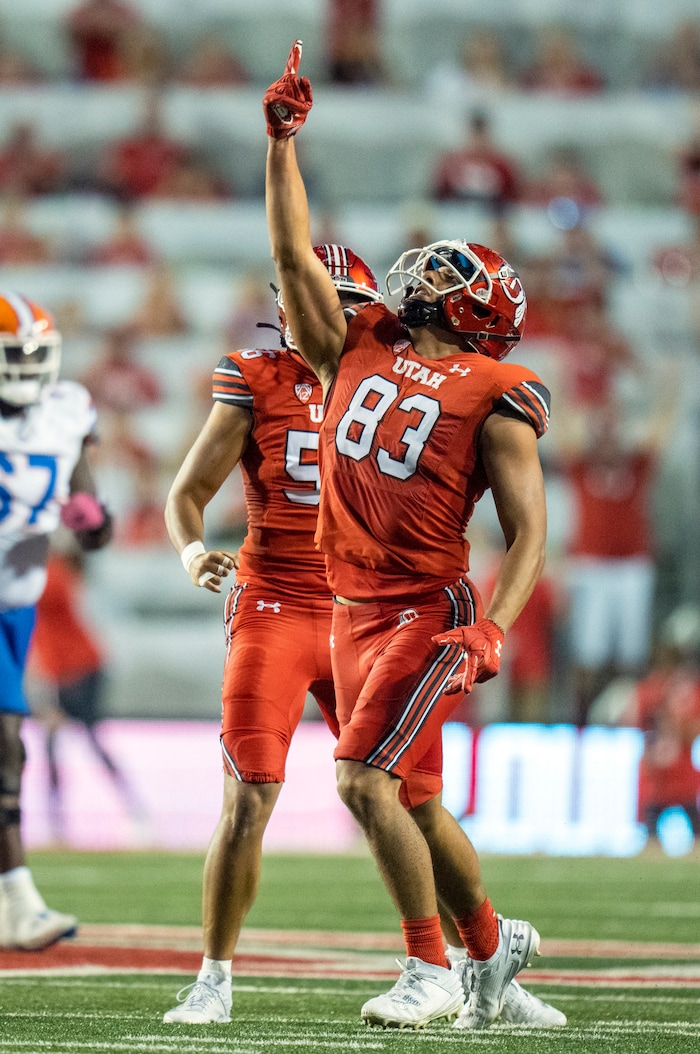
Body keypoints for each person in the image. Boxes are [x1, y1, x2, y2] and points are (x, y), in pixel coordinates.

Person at [161, 255, 564, 1029]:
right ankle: (217, 977)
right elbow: (187, 491)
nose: (333, 311)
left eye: (350, 300)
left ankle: (479, 958)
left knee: (408, 795)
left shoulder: (398, 365)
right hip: (282, 601)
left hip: (393, 606)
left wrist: (490, 620)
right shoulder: (262, 375)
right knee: (258, 790)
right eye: (320, 299)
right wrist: (191, 550)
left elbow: (521, 528)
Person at [262, 43, 554, 1032]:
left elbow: (528, 530)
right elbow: (291, 256)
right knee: (418, 799)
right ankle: (493, 956)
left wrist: (493, 628)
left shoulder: (495, 392)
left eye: (443, 270)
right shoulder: (361, 342)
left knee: (359, 778)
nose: (417, 271)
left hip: (425, 607)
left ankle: (426, 967)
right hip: (351, 602)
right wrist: (281, 147)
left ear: (463, 306)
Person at [0, 290, 113, 950]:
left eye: (32, 355)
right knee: (6, 746)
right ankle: (19, 900)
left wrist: (91, 523)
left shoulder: (65, 413)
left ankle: (16, 904)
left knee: (8, 751)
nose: (25, 368)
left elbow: (93, 523)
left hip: (15, 608)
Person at [27, 538, 147, 842]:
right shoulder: (47, 570)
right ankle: (61, 822)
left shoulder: (49, 572)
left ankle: (130, 811)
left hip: (77, 669)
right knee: (63, 742)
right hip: (65, 670)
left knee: (79, 740)